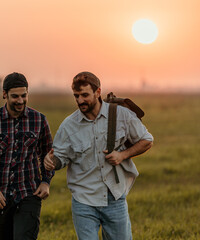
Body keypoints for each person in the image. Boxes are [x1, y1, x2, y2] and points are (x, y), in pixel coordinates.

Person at [44, 71, 153, 240]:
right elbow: (60, 158)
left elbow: (146, 140)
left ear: (98, 92)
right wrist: (51, 162)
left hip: (114, 198)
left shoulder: (121, 115)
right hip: (83, 200)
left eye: (85, 95)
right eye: (76, 96)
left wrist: (123, 155)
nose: (80, 100)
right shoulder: (69, 125)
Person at [0, 72, 54, 240]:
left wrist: (46, 181)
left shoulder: (39, 120)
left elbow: (49, 156)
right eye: (15, 96)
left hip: (29, 194)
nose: (20, 101)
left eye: (24, 96)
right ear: (4, 94)